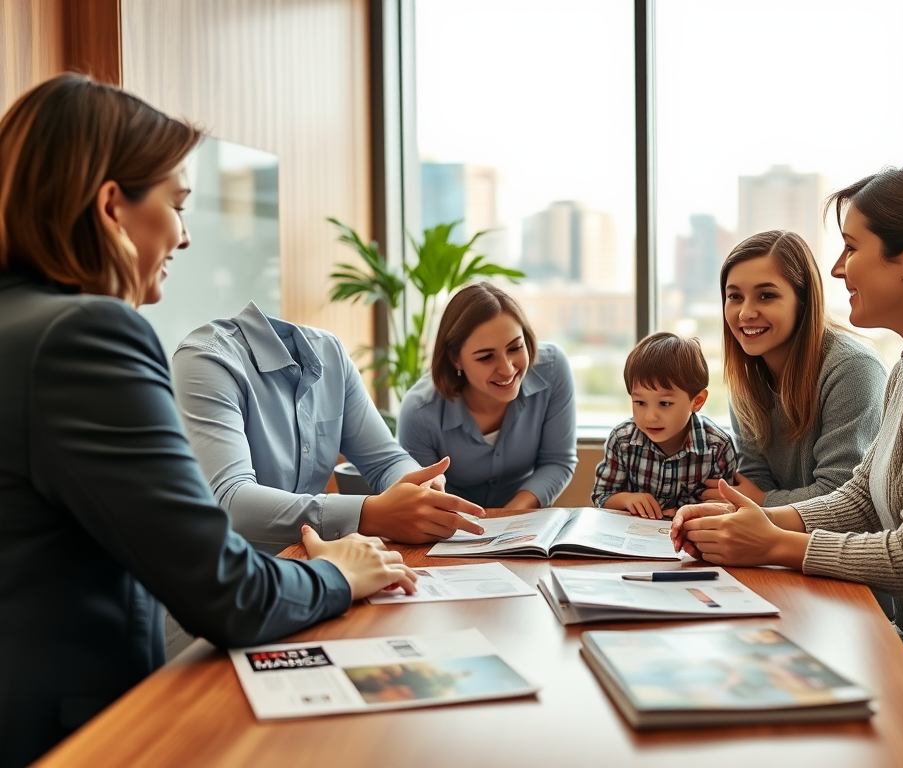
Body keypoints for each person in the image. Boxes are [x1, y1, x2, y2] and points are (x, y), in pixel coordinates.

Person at [0, 74, 417, 768]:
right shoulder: (85, 336)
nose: (185, 236)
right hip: (76, 738)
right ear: (111, 207)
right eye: (177, 204)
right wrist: (342, 572)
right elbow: (228, 592)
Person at [672, 159, 903, 755]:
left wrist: (777, 544)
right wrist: (748, 525)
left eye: (851, 248)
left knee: (779, 735)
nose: (836, 269)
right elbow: (862, 497)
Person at [171, 303, 486, 551]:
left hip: (311, 563)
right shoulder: (206, 361)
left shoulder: (330, 354)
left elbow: (386, 461)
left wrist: (417, 487)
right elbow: (231, 501)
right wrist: (371, 514)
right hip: (218, 585)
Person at [703, 230, 886, 506]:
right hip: (780, 539)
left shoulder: (853, 369)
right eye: (735, 297)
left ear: (803, 302)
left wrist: (763, 502)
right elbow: (753, 481)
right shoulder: (746, 377)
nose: (745, 313)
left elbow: (841, 497)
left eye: (766, 296)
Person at [397, 282, 577, 509]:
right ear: (456, 360)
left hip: (525, 523)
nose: (508, 369)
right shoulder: (419, 411)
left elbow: (557, 462)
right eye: (486, 357)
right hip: (451, 530)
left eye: (515, 348)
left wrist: (510, 518)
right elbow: (424, 499)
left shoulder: (552, 369)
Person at [592, 332, 736, 519]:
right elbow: (601, 496)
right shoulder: (622, 440)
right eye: (640, 403)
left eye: (665, 403)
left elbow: (726, 507)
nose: (650, 417)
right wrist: (627, 499)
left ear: (697, 401)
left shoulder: (718, 447)